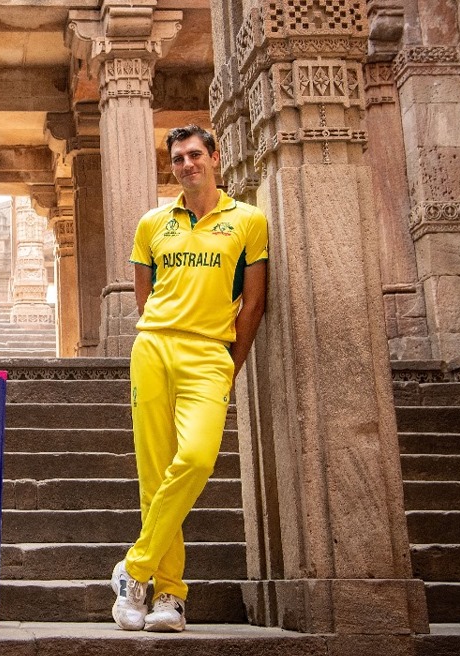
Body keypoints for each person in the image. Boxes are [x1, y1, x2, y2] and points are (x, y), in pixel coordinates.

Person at [111, 125, 268, 633]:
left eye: (195, 155)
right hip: (154, 349)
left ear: (215, 157)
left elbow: (254, 302)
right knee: (155, 478)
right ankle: (169, 598)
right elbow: (144, 298)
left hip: (209, 355)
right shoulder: (152, 223)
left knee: (197, 458)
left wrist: (230, 363)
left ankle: (133, 569)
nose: (186, 165)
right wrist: (158, 338)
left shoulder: (249, 220)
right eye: (178, 158)